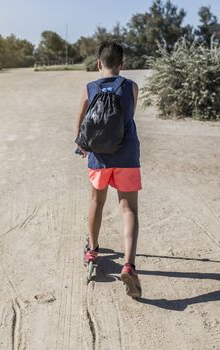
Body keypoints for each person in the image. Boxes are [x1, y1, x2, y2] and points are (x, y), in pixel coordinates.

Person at [74, 41, 142, 298]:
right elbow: (129, 116)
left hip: (99, 157)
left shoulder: (89, 88)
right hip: (127, 156)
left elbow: (80, 124)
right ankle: (129, 265)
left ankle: (92, 250)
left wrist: (82, 147)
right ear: (122, 65)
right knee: (129, 208)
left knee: (97, 201)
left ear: (98, 64)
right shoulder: (131, 87)